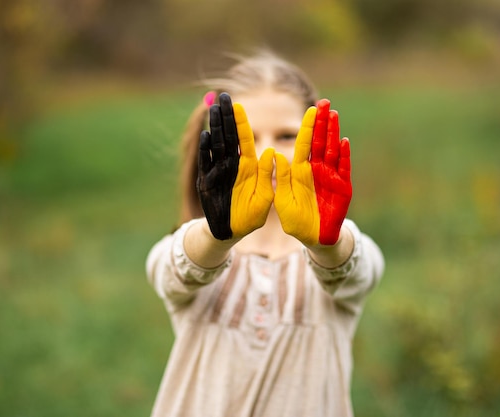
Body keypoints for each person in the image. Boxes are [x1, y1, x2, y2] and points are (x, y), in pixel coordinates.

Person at [145, 50, 384, 417]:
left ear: (314, 137)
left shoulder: (334, 254)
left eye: (287, 135)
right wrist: (217, 236)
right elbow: (167, 269)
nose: (267, 151)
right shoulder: (198, 249)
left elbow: (361, 268)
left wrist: (326, 241)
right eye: (247, 136)